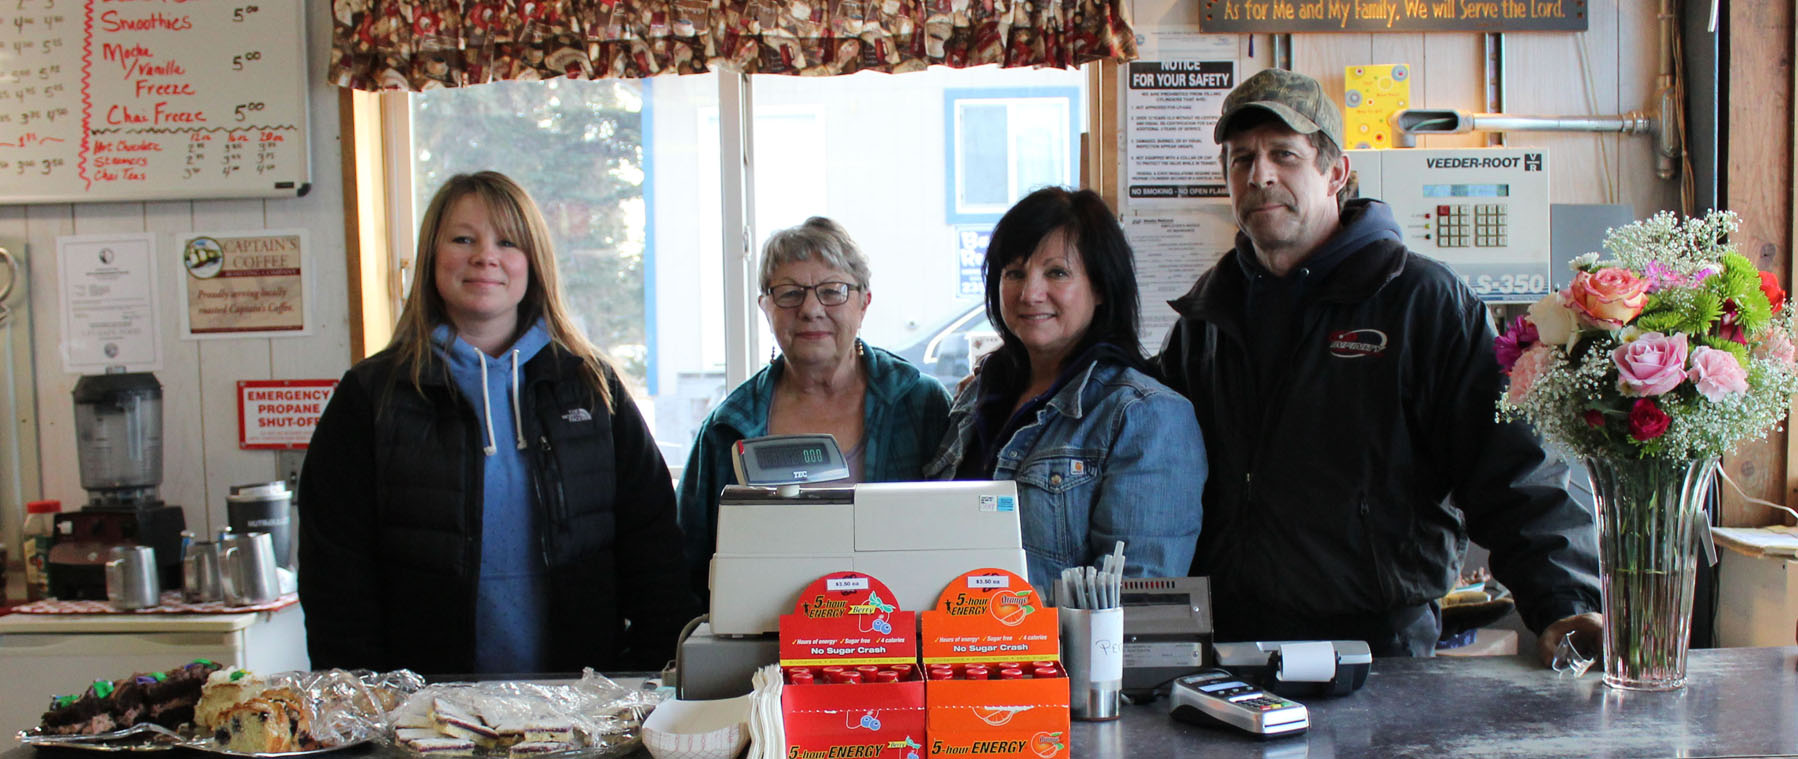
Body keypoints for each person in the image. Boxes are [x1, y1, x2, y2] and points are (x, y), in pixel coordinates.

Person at [1155, 68, 1602, 662]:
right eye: (1241, 160)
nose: (1260, 176)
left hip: (1376, 654)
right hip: (1229, 648)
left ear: (1335, 172)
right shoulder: (1206, 317)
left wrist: (1564, 604)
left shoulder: (1422, 302)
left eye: (1284, 155)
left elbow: (1514, 468)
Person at [299, 171, 695, 676]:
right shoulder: (370, 397)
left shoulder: (594, 388)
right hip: (423, 716)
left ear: (533, 263)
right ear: (430, 258)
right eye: (463, 239)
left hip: (581, 709)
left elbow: (653, 549)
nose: (485, 256)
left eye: (507, 241)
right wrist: (365, 703)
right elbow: (334, 576)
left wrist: (648, 679)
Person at [926, 187, 1206, 590]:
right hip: (954, 648)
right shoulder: (978, 395)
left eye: (1056, 272)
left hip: (1063, 653)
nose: (1029, 293)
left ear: (1101, 288)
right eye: (1014, 272)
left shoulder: (1144, 414)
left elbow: (1136, 600)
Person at [677, 218, 951, 601]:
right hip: (762, 643)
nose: (810, 309)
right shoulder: (729, 426)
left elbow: (958, 539)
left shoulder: (920, 405)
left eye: (832, 291)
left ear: (864, 302)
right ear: (765, 307)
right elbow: (688, 561)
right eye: (789, 294)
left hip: (897, 637)